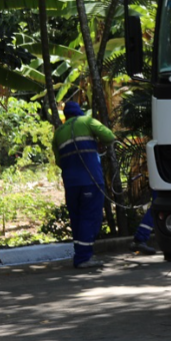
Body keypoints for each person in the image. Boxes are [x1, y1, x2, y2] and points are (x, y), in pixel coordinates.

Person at [52, 101, 116, 269]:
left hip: (71, 183)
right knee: (90, 217)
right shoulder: (87, 121)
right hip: (91, 180)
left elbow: (59, 161)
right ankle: (83, 257)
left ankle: (81, 254)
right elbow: (109, 136)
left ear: (66, 116)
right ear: (79, 112)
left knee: (77, 218)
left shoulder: (58, 133)